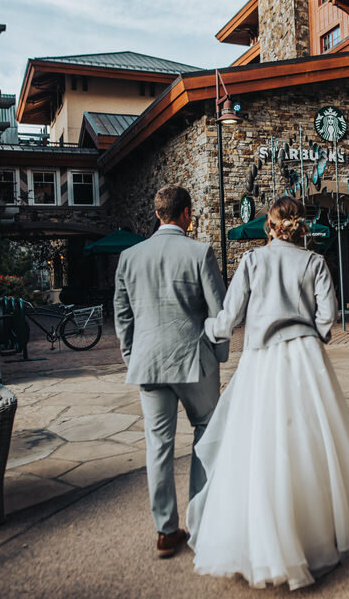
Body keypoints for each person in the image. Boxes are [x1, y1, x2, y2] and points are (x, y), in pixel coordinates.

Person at [186, 196, 349, 590]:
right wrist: (315, 336)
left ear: (270, 225)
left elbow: (230, 317)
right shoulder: (314, 262)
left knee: (259, 443)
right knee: (313, 439)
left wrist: (208, 330)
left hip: (261, 359)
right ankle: (319, 524)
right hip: (304, 354)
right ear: (300, 227)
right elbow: (327, 315)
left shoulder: (252, 261)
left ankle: (266, 533)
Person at [113, 185, 227, 558]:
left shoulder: (129, 257)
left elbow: (122, 316)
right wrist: (219, 356)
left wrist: (133, 357)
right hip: (194, 361)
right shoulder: (199, 252)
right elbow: (218, 312)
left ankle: (165, 530)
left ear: (159, 214)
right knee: (207, 434)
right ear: (186, 213)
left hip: (148, 363)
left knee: (158, 447)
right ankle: (200, 519)